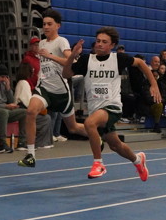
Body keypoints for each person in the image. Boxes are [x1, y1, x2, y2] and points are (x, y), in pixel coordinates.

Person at [63, 27, 158, 180]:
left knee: (89, 123)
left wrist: (153, 84)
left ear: (112, 45)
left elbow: (140, 63)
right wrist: (72, 55)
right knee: (116, 145)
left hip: (112, 106)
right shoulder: (86, 60)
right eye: (98, 41)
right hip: (95, 108)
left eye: (104, 42)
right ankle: (138, 160)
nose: (99, 44)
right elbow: (66, 74)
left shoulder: (118, 59)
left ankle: (98, 163)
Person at [17, 10, 87, 168]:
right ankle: (30, 155)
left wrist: (52, 56)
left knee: (73, 128)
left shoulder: (61, 41)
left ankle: (97, 136)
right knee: (30, 111)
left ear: (58, 26)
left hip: (61, 92)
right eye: (44, 24)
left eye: (49, 24)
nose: (46, 27)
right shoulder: (42, 43)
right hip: (44, 89)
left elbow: (71, 63)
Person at [13, 61, 52, 148]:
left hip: (22, 109)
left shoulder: (21, 82)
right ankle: (41, 143)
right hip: (23, 110)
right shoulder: (24, 83)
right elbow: (28, 102)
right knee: (46, 118)